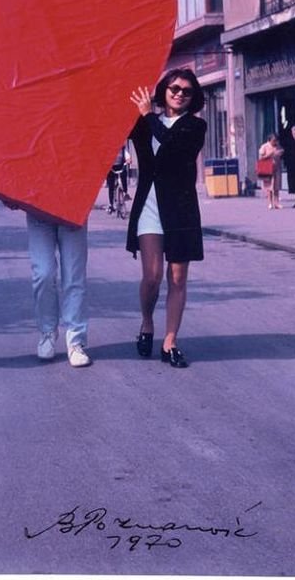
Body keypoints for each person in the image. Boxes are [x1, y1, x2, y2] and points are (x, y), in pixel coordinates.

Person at [126, 68, 207, 369]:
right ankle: (147, 322)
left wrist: (147, 115)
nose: (179, 94)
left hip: (180, 209)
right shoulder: (144, 122)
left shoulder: (195, 127)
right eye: (174, 88)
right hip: (149, 206)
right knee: (153, 275)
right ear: (164, 90)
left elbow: (171, 145)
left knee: (177, 277)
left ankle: (170, 341)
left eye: (187, 91)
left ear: (193, 97)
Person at [26, 213, 91, 367]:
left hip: (73, 206)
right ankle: (47, 332)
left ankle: (75, 341)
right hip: (38, 208)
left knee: (74, 277)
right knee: (43, 274)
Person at [258, 133, 285, 210]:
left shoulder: (278, 146)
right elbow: (261, 157)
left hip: (277, 168)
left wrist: (280, 152)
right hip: (267, 168)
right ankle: (270, 203)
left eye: (276, 140)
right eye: (274, 141)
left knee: (276, 186)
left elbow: (281, 152)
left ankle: (277, 203)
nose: (275, 142)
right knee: (269, 187)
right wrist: (271, 153)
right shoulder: (264, 146)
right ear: (269, 140)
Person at [105, 144, 131, 213]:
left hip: (120, 167)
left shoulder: (122, 149)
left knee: (123, 176)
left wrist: (128, 160)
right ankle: (111, 205)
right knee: (111, 186)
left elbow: (127, 156)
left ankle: (125, 193)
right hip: (111, 168)